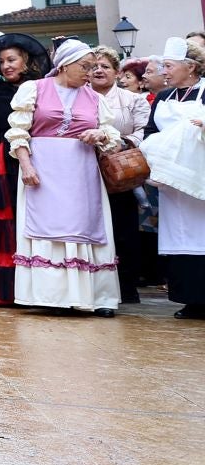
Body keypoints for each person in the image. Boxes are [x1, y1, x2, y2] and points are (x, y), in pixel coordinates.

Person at [3, 40, 120, 314]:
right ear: (65, 64)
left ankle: (96, 297)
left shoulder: (95, 98)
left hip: (81, 171)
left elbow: (111, 135)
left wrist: (99, 135)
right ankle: (53, 296)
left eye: (93, 67)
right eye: (85, 66)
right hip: (43, 169)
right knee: (46, 228)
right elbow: (18, 131)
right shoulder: (34, 89)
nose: (89, 72)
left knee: (86, 227)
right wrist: (26, 165)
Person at [0, 32, 50, 306]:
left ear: (25, 61)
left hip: (35, 156)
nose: (7, 65)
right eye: (3, 61)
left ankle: (39, 286)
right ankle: (10, 289)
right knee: (8, 221)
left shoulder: (40, 88)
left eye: (12, 60)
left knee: (33, 217)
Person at [142, 37, 205, 319]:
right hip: (171, 183)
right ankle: (189, 299)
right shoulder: (164, 98)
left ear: (190, 67)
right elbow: (150, 132)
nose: (164, 71)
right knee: (179, 239)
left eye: (168, 65)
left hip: (199, 178)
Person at [85, 46, 150, 303]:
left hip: (121, 173)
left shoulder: (133, 100)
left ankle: (126, 285)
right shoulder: (80, 98)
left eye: (105, 67)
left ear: (117, 72)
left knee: (124, 229)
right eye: (93, 67)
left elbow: (146, 130)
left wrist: (123, 142)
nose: (98, 71)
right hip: (87, 171)